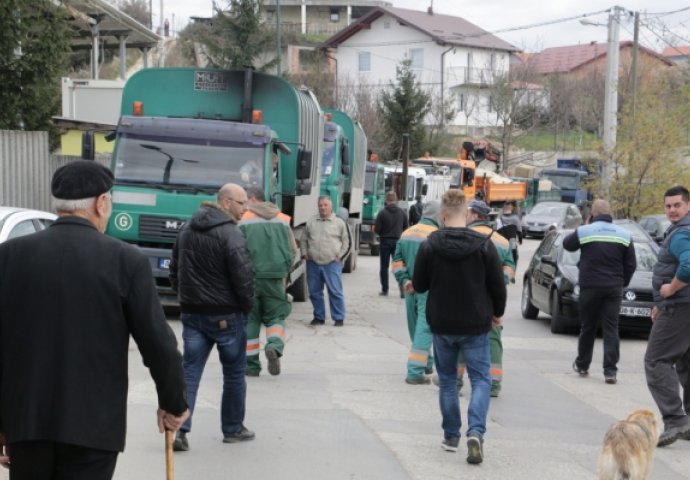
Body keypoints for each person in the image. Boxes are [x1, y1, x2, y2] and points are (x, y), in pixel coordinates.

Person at [0, 160, 189, 478]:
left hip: (26, 424)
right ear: (101, 203)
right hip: (93, 427)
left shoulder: (9, 257)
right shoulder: (126, 261)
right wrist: (173, 403)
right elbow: (158, 344)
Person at [412, 189, 506, 465]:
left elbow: (419, 285)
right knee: (480, 380)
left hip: (442, 324)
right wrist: (497, 313)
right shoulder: (484, 245)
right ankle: (475, 432)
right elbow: (497, 286)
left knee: (448, 382)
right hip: (476, 324)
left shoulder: (430, 244)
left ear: (442, 215)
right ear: (466, 214)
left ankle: (451, 436)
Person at [169, 183, 256, 451]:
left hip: (193, 314)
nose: (246, 208)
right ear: (226, 202)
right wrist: (245, 307)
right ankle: (232, 428)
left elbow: (174, 271)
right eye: (242, 203)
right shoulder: (230, 234)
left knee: (190, 374)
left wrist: (186, 298)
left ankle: (181, 432)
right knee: (234, 374)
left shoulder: (186, 229)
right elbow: (243, 278)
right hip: (226, 316)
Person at [564, 199, 636, 385]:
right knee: (611, 328)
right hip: (613, 287)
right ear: (610, 213)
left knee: (587, 327)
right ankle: (610, 371)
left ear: (592, 214)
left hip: (590, 287)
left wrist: (584, 226)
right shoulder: (624, 234)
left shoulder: (586, 231)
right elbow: (631, 264)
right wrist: (622, 282)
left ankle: (582, 365)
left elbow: (567, 245)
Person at [454, 199, 515, 398]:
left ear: (473, 214)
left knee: (461, 339)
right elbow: (508, 272)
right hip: (490, 299)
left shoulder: (463, 236)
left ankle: (455, 381)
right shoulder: (502, 241)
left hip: (464, 298)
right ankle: (493, 385)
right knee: (493, 340)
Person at [646, 185, 690, 447]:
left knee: (656, 361)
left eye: (677, 205)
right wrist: (661, 302)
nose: (672, 210)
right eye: (668, 206)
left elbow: (688, 265)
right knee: (686, 364)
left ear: (688, 206)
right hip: (680, 306)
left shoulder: (682, 233)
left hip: (680, 307)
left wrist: (670, 291)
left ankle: (675, 420)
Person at [240, 186, 297, 377]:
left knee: (250, 320)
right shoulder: (282, 219)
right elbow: (293, 250)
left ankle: (251, 366)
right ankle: (274, 345)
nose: (244, 205)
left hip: (250, 278)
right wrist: (284, 272)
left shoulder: (244, 220)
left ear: (253, 199)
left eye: (245, 200)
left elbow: (235, 250)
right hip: (275, 278)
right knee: (276, 317)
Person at [392, 201, 442, 385]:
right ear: (438, 215)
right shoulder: (436, 236)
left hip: (409, 289)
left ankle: (427, 362)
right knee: (425, 328)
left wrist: (405, 280)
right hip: (427, 290)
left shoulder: (407, 233)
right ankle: (414, 371)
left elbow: (397, 262)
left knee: (415, 328)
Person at [301, 196, 350, 327]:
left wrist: (340, 256)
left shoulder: (339, 222)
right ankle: (319, 316)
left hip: (332, 263)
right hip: (313, 263)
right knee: (314, 292)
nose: (323, 207)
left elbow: (347, 242)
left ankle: (339, 317)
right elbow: (304, 239)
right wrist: (304, 254)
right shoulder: (311, 221)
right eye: (320, 205)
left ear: (331, 206)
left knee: (335, 291)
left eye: (325, 205)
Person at [374, 191, 408, 296]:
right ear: (396, 200)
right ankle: (402, 290)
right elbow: (406, 228)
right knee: (399, 266)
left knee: (384, 267)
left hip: (384, 242)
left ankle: (385, 290)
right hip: (398, 242)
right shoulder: (402, 213)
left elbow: (377, 229)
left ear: (386, 200)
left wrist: (383, 232)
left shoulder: (382, 213)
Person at [496, 202, 523, 267]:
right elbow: (520, 232)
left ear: (503, 209)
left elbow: (494, 231)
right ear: (511, 208)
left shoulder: (498, 219)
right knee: (513, 261)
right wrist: (520, 240)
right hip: (512, 245)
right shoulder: (515, 219)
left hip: (501, 244)